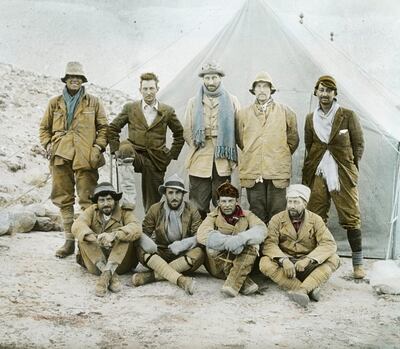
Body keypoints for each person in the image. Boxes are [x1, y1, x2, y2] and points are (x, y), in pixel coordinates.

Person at [39, 61, 108, 258]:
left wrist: (97, 147)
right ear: (66, 80)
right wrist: (48, 144)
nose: (75, 80)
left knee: (88, 200)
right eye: (71, 77)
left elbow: (104, 128)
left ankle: (85, 245)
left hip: (86, 158)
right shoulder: (55, 103)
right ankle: (69, 242)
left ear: (82, 80)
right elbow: (44, 129)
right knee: (63, 199)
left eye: (78, 77)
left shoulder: (93, 102)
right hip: (60, 156)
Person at [302, 75, 365, 279]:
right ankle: (318, 260)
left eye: (329, 90)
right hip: (318, 171)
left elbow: (358, 144)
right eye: (321, 90)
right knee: (316, 215)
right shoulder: (310, 118)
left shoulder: (347, 115)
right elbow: (309, 146)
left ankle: (358, 265)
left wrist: (350, 167)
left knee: (351, 215)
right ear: (316, 92)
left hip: (342, 173)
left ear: (335, 94)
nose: (325, 94)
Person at [108, 72, 184, 212]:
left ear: (157, 89)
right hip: (134, 154)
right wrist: (115, 150)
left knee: (152, 204)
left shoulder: (167, 110)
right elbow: (113, 128)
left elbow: (179, 133)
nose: (148, 92)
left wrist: (171, 155)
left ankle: (150, 228)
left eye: (151, 88)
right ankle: (129, 196)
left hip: (156, 159)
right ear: (140, 90)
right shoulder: (130, 108)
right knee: (125, 148)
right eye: (145, 89)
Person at [260, 184, 340, 307]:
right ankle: (307, 288)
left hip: (307, 265)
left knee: (334, 259)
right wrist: (283, 260)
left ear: (305, 204)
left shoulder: (316, 220)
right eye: (289, 202)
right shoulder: (276, 219)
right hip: (286, 266)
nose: (291, 206)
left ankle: (302, 290)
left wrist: (308, 259)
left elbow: (328, 243)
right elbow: (269, 243)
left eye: (296, 202)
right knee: (264, 262)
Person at [236, 71, 299, 224]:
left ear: (271, 90)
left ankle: (274, 244)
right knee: (257, 210)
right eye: (258, 86)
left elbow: (293, 140)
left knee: (277, 210)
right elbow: (240, 140)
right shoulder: (242, 114)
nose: (262, 90)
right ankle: (260, 246)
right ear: (254, 90)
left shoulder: (286, 111)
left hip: (277, 169)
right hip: (253, 169)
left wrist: (278, 153)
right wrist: (256, 153)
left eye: (266, 86)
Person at [184, 62, 240, 219]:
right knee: (197, 202)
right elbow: (187, 130)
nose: (210, 82)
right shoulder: (193, 102)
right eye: (207, 78)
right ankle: (197, 234)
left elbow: (238, 129)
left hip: (223, 156)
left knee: (222, 199)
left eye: (214, 77)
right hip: (200, 156)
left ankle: (221, 232)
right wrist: (197, 144)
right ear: (202, 79)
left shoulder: (232, 100)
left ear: (220, 78)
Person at [132, 174, 204, 295]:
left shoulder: (192, 210)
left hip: (182, 254)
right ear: (165, 194)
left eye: (178, 193)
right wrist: (147, 242)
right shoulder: (155, 209)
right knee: (140, 248)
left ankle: (151, 276)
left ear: (183, 194)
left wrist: (184, 244)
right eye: (170, 193)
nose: (174, 197)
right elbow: (144, 232)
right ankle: (181, 280)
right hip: (160, 253)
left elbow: (200, 236)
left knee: (199, 253)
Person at [197, 181, 267, 297]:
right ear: (218, 202)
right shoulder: (212, 216)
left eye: (231, 201)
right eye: (224, 201)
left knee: (253, 246)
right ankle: (243, 282)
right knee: (211, 249)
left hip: (240, 259)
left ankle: (232, 286)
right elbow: (202, 234)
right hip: (219, 264)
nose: (227, 205)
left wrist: (241, 239)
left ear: (237, 201)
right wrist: (228, 242)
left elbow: (262, 229)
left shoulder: (247, 215)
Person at [71, 182, 142, 297]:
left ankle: (106, 276)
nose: (106, 204)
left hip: (120, 264)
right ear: (97, 202)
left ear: (115, 200)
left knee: (125, 236)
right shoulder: (91, 211)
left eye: (109, 199)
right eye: (102, 200)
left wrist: (114, 235)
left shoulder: (124, 212)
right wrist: (95, 238)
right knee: (83, 236)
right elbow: (77, 225)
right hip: (96, 263)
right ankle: (108, 274)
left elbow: (137, 227)